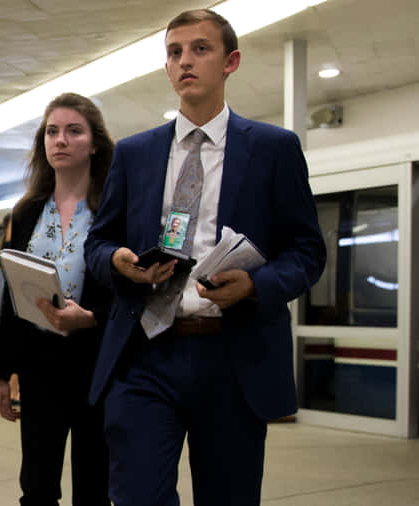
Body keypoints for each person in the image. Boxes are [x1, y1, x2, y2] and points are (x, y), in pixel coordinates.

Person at [84, 9, 326, 506]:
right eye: (174, 52)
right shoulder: (134, 154)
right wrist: (117, 262)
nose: (184, 61)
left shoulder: (274, 150)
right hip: (146, 352)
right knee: (136, 496)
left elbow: (306, 252)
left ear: (230, 61)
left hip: (233, 357)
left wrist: (256, 286)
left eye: (199, 49)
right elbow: (98, 243)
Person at [0, 93, 112, 506]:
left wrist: (93, 318)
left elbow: (130, 294)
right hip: (39, 364)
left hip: (95, 361)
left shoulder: (114, 211)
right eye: (52, 131)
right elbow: (11, 294)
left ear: (94, 143)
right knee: (37, 486)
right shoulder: (25, 213)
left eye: (74, 131)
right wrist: (2, 373)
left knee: (94, 484)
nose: (60, 140)